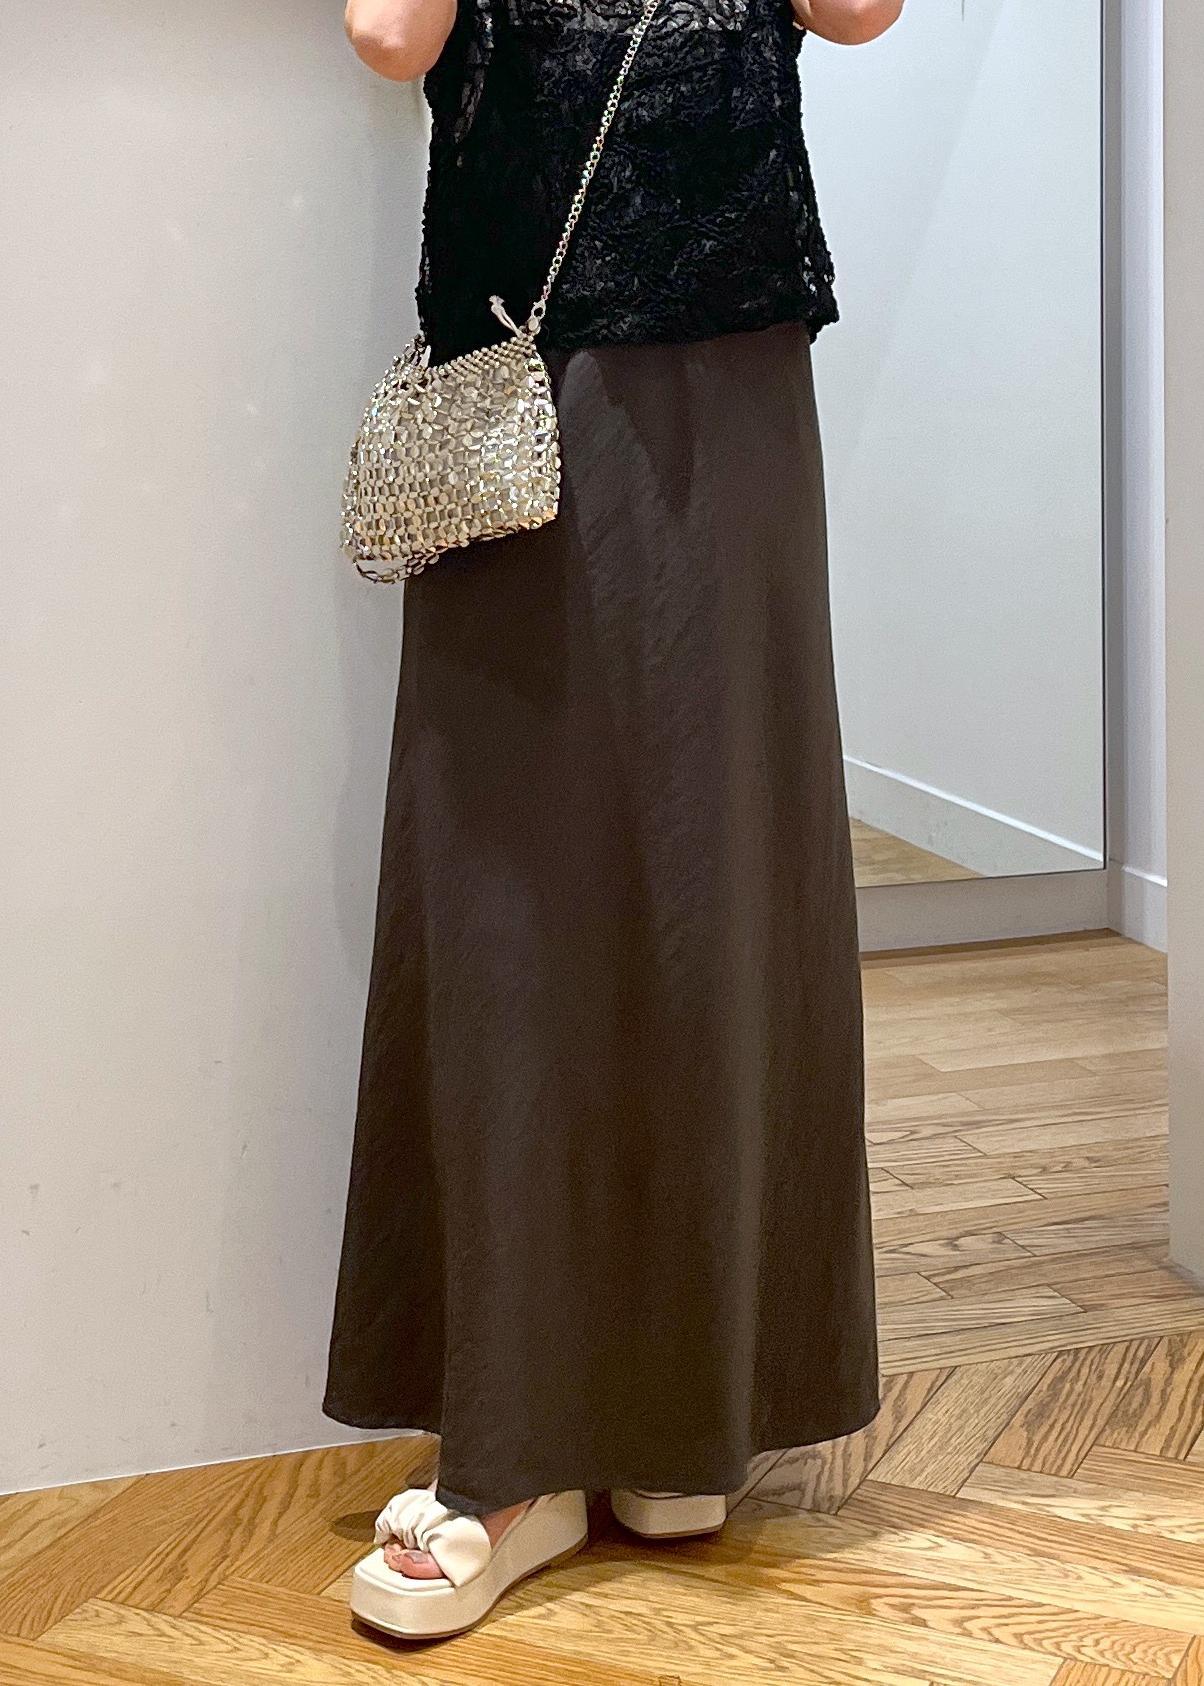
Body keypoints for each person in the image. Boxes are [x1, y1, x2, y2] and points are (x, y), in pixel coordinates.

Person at [324, 0, 902, 1641]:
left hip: (733, 369)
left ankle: (677, 1417)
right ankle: (520, 1448)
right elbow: (387, 31)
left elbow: (861, 11)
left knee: (721, 870)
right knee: (511, 893)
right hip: (523, 378)